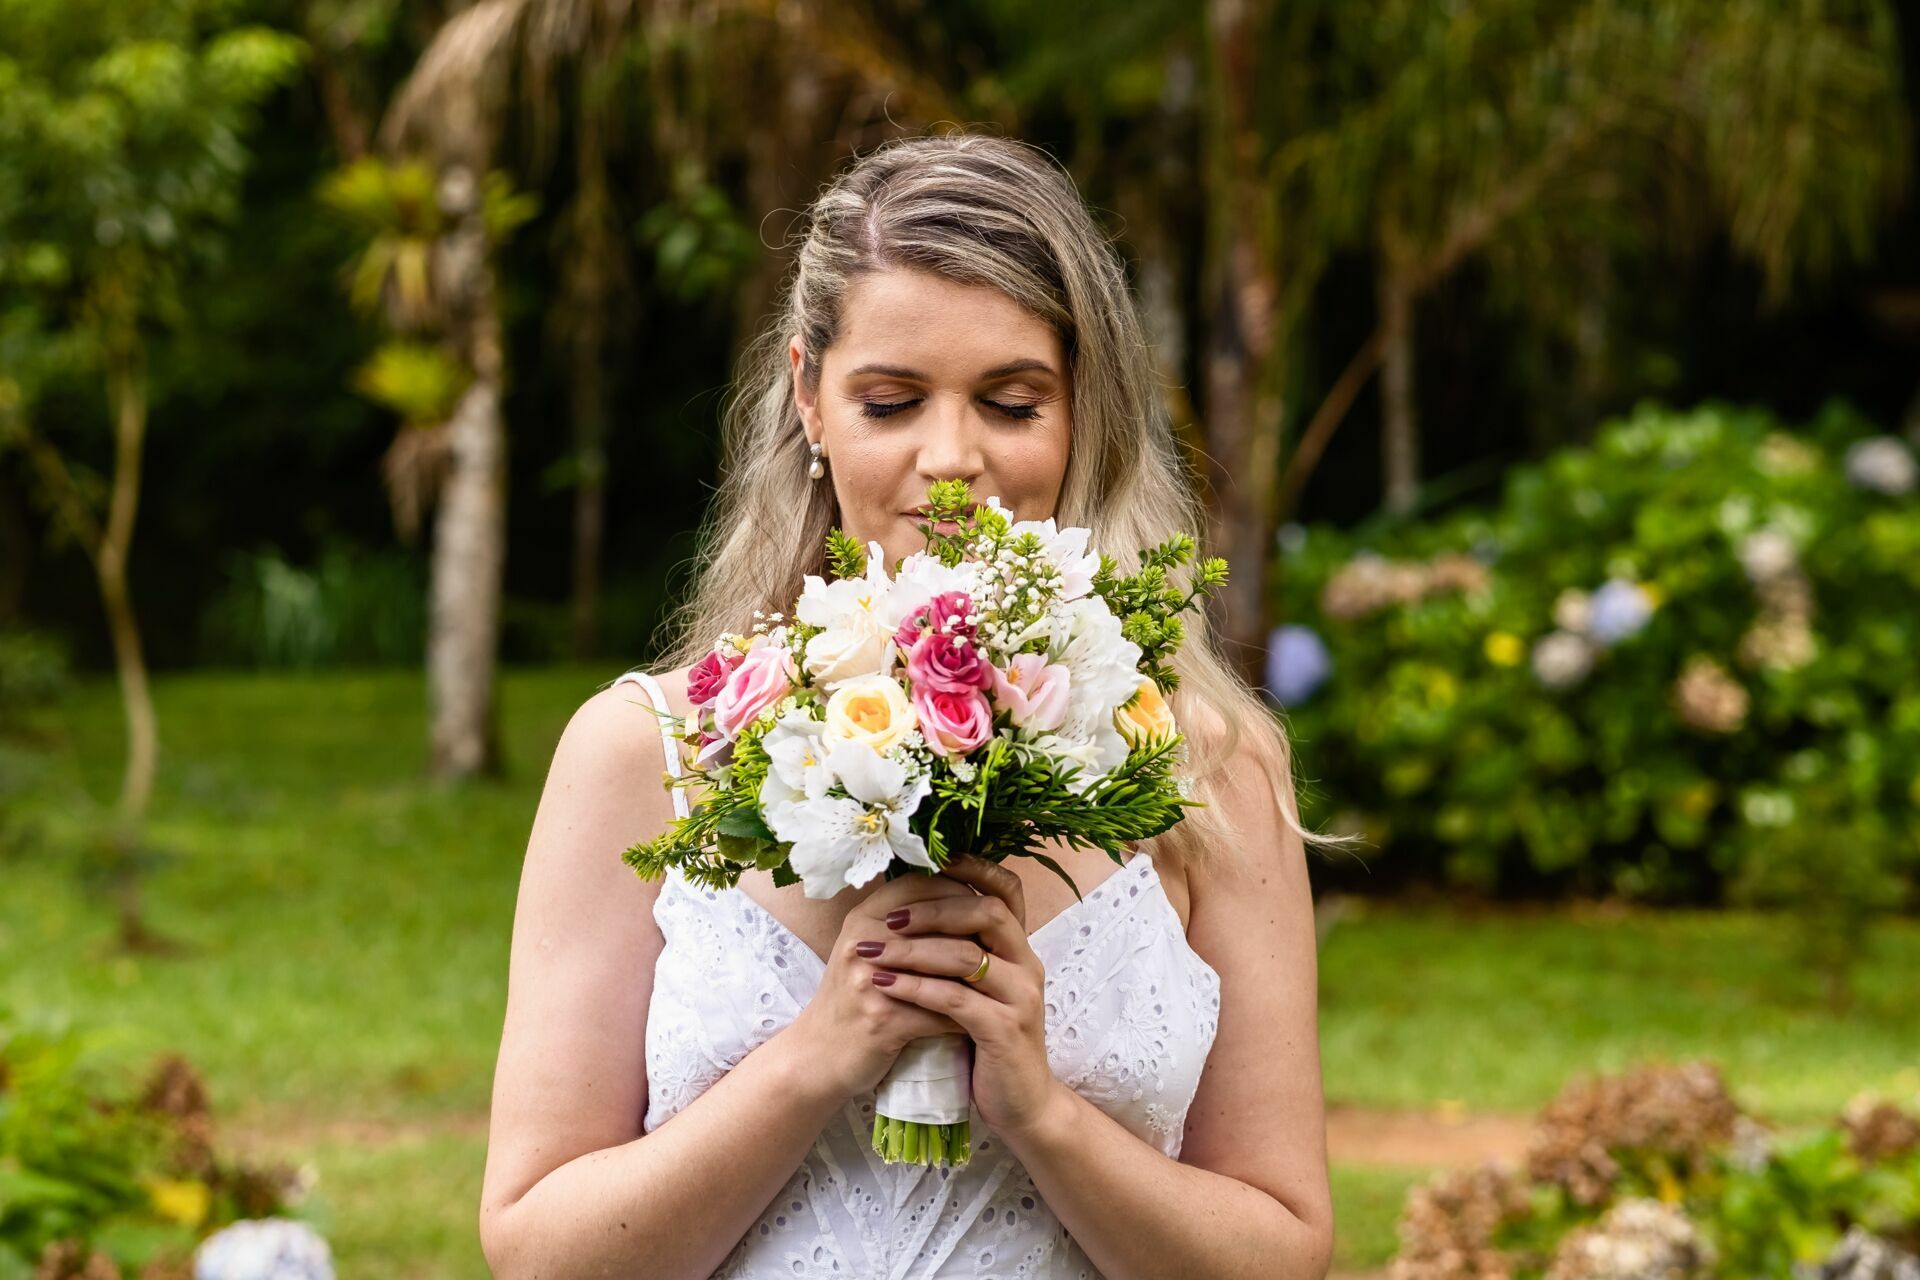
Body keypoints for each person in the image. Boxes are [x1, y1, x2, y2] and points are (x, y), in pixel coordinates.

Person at [478, 131, 1333, 1279]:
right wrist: (820, 1054)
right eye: (890, 401)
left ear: (1086, 410)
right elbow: (538, 1250)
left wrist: (1043, 1112)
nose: (952, 457)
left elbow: (1281, 1252)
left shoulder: (1204, 771)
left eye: (1012, 402)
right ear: (809, 398)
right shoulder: (648, 750)